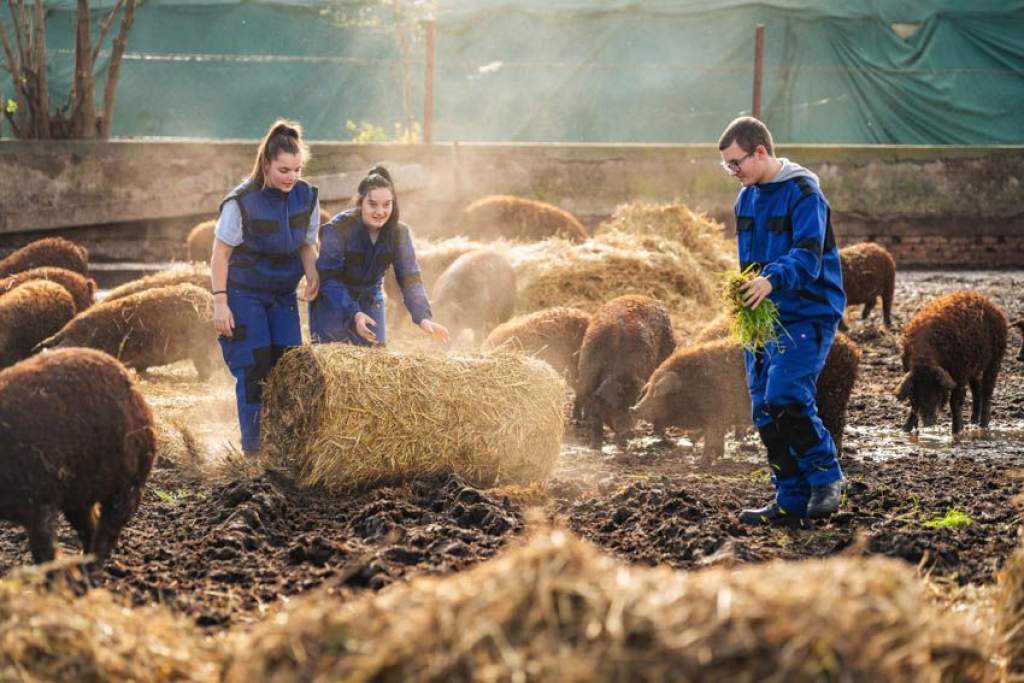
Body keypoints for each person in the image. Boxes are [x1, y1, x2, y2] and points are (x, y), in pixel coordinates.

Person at [718, 116, 847, 525]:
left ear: (760, 152)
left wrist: (771, 280)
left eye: (736, 163)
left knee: (786, 395)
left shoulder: (804, 193)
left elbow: (808, 258)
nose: (733, 173)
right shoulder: (746, 198)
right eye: (727, 166)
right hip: (763, 314)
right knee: (762, 408)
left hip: (807, 309)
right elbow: (749, 261)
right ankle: (790, 497)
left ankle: (827, 478)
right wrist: (747, 292)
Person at [211, 119, 320, 455]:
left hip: (282, 295)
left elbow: (305, 244)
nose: (291, 177)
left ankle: (286, 448)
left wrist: (313, 273)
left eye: (297, 169)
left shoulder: (307, 196)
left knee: (289, 368)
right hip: (245, 293)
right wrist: (220, 302)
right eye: (284, 170)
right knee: (256, 368)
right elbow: (220, 253)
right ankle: (255, 452)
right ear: (266, 164)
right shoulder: (241, 201)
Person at [309, 165, 449, 346]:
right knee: (334, 362)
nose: (380, 212)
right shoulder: (337, 229)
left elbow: (410, 278)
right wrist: (354, 313)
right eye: (372, 204)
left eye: (387, 205)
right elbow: (329, 278)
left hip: (370, 298)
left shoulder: (399, 233)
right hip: (335, 300)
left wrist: (423, 317)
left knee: (375, 363)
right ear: (360, 202)